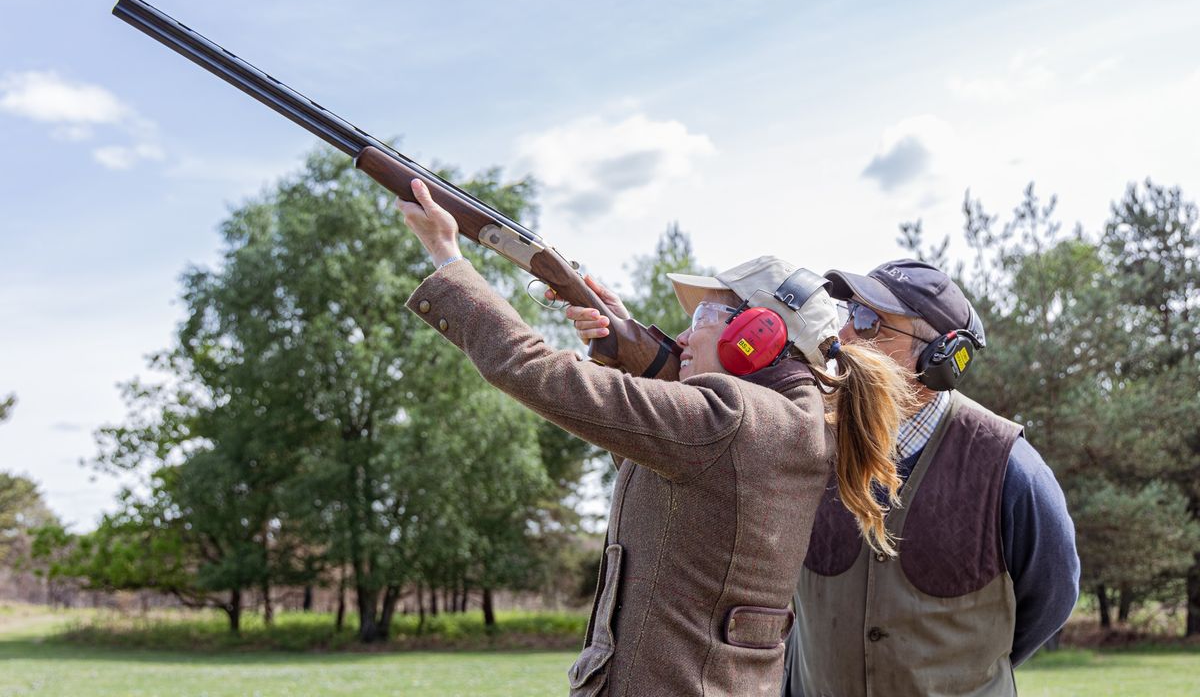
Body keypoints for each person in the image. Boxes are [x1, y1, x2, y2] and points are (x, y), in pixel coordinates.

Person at [396, 179, 914, 697]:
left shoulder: (730, 418)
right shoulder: (793, 422)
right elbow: (684, 472)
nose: (685, 336)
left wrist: (448, 258)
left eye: (704, 316)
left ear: (757, 336)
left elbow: (532, 370)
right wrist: (624, 339)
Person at [779, 259, 1081, 697]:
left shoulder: (1011, 468)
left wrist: (973, 661)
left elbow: (1053, 594)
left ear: (938, 358)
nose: (841, 338)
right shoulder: (808, 447)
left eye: (868, 322)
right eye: (849, 315)